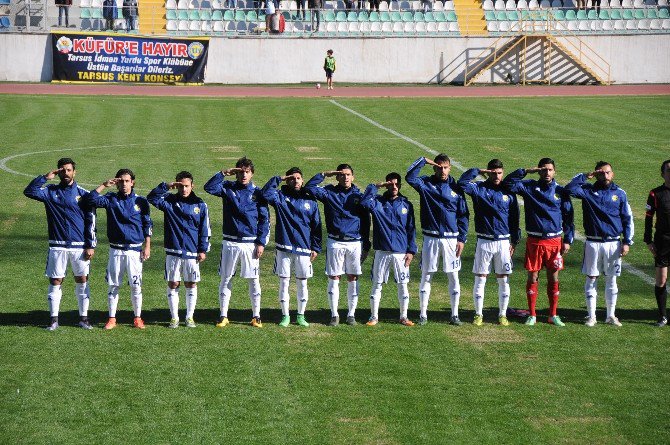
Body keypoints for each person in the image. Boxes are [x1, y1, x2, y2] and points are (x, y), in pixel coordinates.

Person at [24, 158, 96, 331]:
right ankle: (54, 319)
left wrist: (91, 244)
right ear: (58, 172)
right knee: (56, 281)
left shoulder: (83, 194)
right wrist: (45, 178)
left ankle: (83, 318)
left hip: (79, 245)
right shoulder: (49, 191)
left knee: (82, 280)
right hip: (57, 245)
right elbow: (29, 191)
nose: (66, 173)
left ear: (74, 172)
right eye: (62, 170)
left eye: (69, 170)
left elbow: (91, 220)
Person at [502, 158, 573, 327]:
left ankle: (553, 314)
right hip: (534, 240)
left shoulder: (560, 192)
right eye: (543, 170)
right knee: (533, 276)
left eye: (549, 170)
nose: (546, 173)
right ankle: (532, 314)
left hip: (554, 241)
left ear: (554, 172)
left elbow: (569, 218)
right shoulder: (529, 187)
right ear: (539, 171)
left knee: (553, 277)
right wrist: (526, 170)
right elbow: (507, 183)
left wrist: (568, 240)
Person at [566, 161, 634, 327]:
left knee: (612, 280)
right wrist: (585, 176)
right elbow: (569, 189)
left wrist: (627, 242)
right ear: (596, 174)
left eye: (608, 172)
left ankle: (611, 315)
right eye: (601, 173)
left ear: (613, 173)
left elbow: (627, 219)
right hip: (593, 243)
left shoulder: (620, 193)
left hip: (613, 243)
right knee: (592, 278)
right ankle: (592, 316)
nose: (605, 176)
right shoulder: (587, 191)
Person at [204, 157, 270, 328]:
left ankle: (256, 316)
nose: (243, 175)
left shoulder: (258, 193)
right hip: (230, 242)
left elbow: (264, 220)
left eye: (246, 172)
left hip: (250, 243)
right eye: (240, 172)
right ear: (236, 173)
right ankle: (223, 315)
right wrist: (223, 173)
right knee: (226, 279)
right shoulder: (227, 188)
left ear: (252, 173)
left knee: (254, 280)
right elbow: (209, 187)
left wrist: (261, 242)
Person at [85, 169, 152, 330]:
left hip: (135, 251)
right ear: (117, 182)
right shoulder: (110, 199)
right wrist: (103, 185)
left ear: (132, 182)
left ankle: (137, 317)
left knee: (136, 286)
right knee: (114, 286)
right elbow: (89, 201)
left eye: (127, 181)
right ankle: (112, 318)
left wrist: (147, 245)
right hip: (115, 250)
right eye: (121, 181)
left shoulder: (141, 202)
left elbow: (147, 224)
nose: (124, 184)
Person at [406, 155, 469, 326]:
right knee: (426, 276)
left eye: (446, 167)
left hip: (451, 240)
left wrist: (462, 239)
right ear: (434, 168)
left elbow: (463, 215)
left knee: (453, 277)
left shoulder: (456, 187)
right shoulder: (425, 184)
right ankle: (423, 314)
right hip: (430, 238)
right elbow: (409, 177)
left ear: (450, 168)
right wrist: (422, 161)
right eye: (439, 167)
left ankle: (455, 315)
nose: (443, 170)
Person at [305, 164, 371, 326]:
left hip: (355, 242)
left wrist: (366, 244)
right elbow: (309, 187)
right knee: (334, 277)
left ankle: (351, 314)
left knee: (352, 277)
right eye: (341, 175)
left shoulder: (359, 196)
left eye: (348, 174)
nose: (346, 177)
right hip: (335, 241)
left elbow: (366, 221)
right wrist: (324, 174)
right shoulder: (329, 193)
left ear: (353, 177)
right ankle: (334, 315)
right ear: (337, 177)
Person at [458, 159, 520, 326]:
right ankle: (478, 314)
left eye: (499, 173)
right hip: (484, 241)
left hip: (503, 242)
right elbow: (462, 183)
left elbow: (515, 218)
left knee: (503, 279)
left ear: (503, 172)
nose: (497, 176)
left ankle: (502, 314)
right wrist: (478, 170)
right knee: (480, 279)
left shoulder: (509, 192)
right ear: (488, 172)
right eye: (493, 172)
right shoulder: (479, 188)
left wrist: (514, 240)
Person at [147, 172, 210, 329]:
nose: (183, 189)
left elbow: (204, 229)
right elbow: (151, 198)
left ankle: (189, 317)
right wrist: (166, 186)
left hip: (191, 252)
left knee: (191, 283)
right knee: (173, 283)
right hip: (173, 251)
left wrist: (203, 250)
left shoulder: (200, 205)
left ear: (192, 186)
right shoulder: (169, 201)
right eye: (180, 186)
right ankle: (174, 317)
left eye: (186, 186)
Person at [261, 167, 322, 327]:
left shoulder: (310, 201)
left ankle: (301, 315)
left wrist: (315, 247)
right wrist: (279, 178)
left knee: (302, 283)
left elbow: (316, 226)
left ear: (303, 181)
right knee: (284, 283)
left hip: (304, 249)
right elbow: (264, 193)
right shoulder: (279, 197)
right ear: (288, 180)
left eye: (298, 178)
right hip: (284, 248)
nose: (296, 181)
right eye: (292, 178)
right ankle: (285, 315)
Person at [360, 173, 417, 326]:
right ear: (386, 185)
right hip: (382, 252)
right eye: (390, 184)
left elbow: (411, 229)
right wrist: (376, 186)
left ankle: (403, 316)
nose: (394, 187)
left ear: (400, 186)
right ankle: (373, 317)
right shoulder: (377, 202)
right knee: (377, 284)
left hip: (401, 253)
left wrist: (411, 251)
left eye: (397, 184)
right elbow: (364, 202)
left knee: (403, 285)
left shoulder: (406, 204)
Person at [645, 159, 670, 327]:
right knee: (661, 280)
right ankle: (662, 316)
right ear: (662, 174)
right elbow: (648, 217)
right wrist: (648, 240)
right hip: (663, 241)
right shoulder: (655, 194)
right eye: (668, 170)